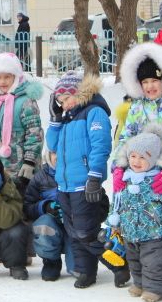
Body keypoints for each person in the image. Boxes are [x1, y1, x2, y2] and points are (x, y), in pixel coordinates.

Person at [46, 71, 130, 289]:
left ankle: (119, 264)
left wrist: (94, 177)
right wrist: (55, 120)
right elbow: (52, 146)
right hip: (64, 185)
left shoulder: (94, 113)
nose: (63, 105)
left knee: (85, 232)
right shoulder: (67, 118)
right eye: (60, 102)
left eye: (65, 100)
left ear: (78, 93)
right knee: (74, 233)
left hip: (84, 184)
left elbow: (100, 146)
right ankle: (86, 272)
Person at [113, 42, 162, 276]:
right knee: (151, 223)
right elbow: (125, 138)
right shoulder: (136, 108)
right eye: (145, 82)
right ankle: (156, 268)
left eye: (154, 81)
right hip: (141, 177)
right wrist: (118, 168)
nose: (150, 86)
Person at [108, 126, 162, 302]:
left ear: (154, 159)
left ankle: (155, 288)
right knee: (135, 261)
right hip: (130, 233)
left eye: (143, 157)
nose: (136, 161)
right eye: (133, 156)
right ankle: (140, 283)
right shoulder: (124, 179)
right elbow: (117, 203)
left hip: (155, 234)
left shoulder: (159, 181)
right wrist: (114, 222)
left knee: (154, 263)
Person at [0, 53, 43, 196]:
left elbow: (34, 133)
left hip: (21, 165)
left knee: (21, 199)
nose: (2, 82)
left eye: (7, 77)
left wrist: (30, 161)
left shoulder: (26, 101)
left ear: (16, 77)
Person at [24, 148, 75, 281]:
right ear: (49, 155)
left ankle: (79, 263)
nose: (58, 156)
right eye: (54, 152)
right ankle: (51, 261)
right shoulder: (40, 177)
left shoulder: (79, 172)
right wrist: (44, 206)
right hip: (52, 222)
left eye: (62, 151)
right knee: (43, 224)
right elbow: (27, 206)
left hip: (73, 221)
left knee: (77, 270)